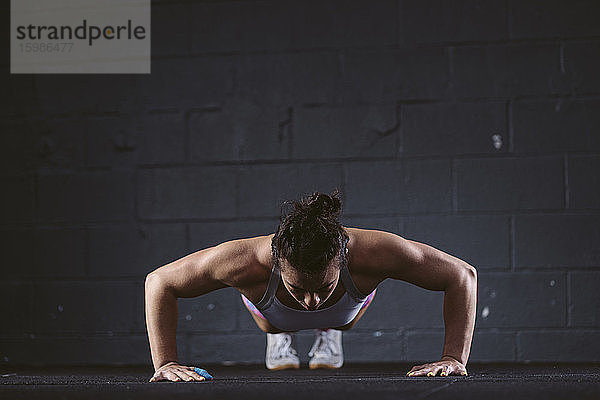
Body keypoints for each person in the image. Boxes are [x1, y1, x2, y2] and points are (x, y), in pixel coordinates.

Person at [145, 190, 477, 382]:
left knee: (339, 319)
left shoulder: (378, 252)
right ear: (275, 261)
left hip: (347, 309)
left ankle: (328, 330)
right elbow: (160, 281)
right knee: (273, 323)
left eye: (322, 287)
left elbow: (462, 275)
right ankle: (280, 337)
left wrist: (453, 358)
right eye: (298, 288)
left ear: (344, 256)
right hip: (270, 310)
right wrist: (166, 364)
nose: (312, 302)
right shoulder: (241, 260)